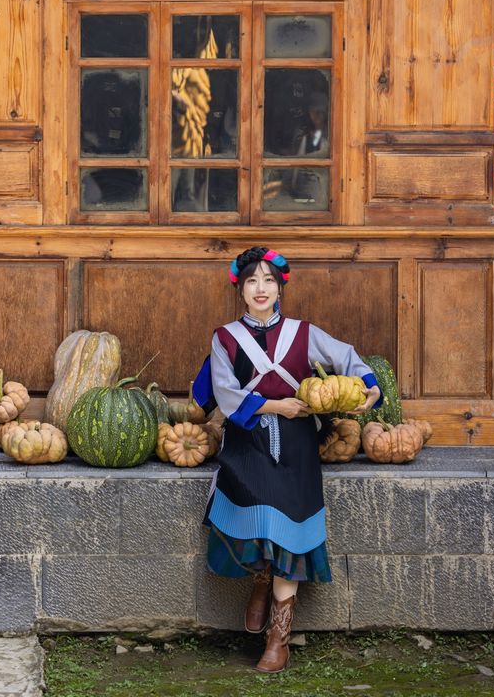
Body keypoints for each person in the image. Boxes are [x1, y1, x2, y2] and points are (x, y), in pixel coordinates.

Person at [194, 246, 382, 673]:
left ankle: (278, 640)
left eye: (268, 281)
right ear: (240, 290)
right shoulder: (225, 338)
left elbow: (347, 357)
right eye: (251, 282)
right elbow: (224, 393)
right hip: (249, 442)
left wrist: (369, 386)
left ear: (280, 288)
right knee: (257, 518)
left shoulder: (304, 332)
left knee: (289, 529)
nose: (261, 289)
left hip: (297, 448)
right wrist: (277, 407)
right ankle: (262, 578)